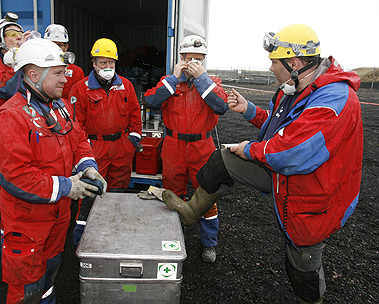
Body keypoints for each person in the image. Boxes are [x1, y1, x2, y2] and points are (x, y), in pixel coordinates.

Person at [160, 24, 363, 304]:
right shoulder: (296, 87)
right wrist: (250, 111)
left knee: (302, 270)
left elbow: (294, 150)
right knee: (222, 161)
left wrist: (250, 149)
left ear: (293, 62)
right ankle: (191, 212)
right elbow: (280, 127)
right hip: (286, 175)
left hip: (315, 192)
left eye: (273, 62)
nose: (270, 69)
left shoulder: (333, 99)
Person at [0, 38, 107, 303]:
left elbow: (78, 140)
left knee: (49, 275)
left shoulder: (60, 107)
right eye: (58, 73)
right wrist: (68, 187)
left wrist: (88, 166)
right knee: (27, 289)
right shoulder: (10, 117)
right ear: (33, 74)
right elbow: (15, 177)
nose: (65, 79)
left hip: (58, 215)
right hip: (27, 223)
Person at [144, 35, 229, 263]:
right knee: (172, 193)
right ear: (181, 58)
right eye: (190, 58)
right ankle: (173, 237)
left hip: (203, 146)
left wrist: (202, 80)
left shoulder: (212, 83)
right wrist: (173, 78)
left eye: (199, 59)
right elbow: (150, 101)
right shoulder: (169, 82)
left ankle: (209, 243)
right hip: (173, 146)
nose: (194, 63)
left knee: (207, 195)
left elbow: (222, 106)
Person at [69, 38, 142, 247]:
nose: (107, 67)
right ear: (93, 63)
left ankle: (114, 234)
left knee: (118, 191)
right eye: (103, 63)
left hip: (121, 147)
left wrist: (132, 141)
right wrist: (86, 151)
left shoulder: (125, 86)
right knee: (90, 192)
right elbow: (76, 126)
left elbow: (135, 115)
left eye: (111, 63)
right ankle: (82, 241)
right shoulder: (80, 89)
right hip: (95, 149)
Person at [0, 12, 32, 114]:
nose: (19, 37)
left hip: (25, 117)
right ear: (0, 40)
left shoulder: (27, 63)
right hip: (4, 119)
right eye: (12, 34)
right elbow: (7, 89)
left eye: (20, 34)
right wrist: (18, 61)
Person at [44, 24, 85, 102]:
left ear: (66, 47)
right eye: (53, 44)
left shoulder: (76, 72)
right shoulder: (38, 67)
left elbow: (80, 100)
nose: (56, 48)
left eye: (59, 45)